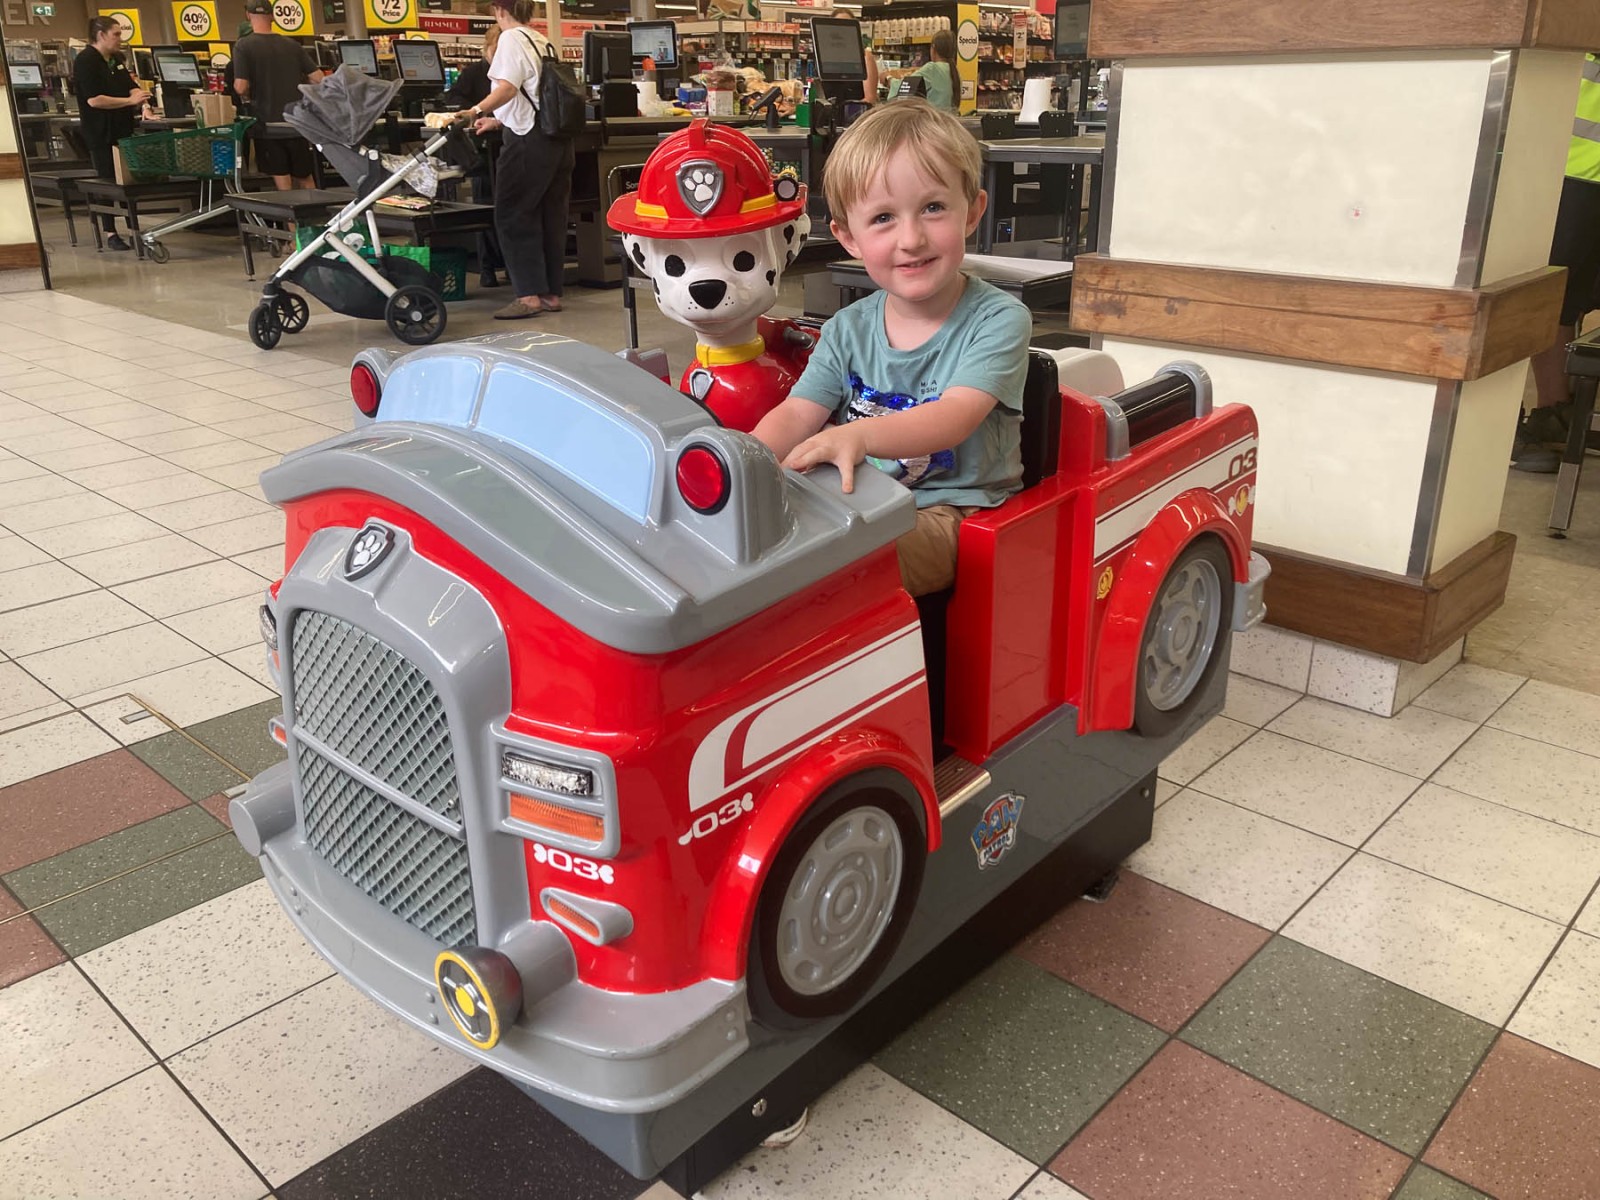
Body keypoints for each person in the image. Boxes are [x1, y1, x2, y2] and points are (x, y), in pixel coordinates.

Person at [752, 100, 1029, 597]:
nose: (911, 238)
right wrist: (746, 461)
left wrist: (857, 436)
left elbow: (954, 416)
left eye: (933, 207)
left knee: (835, 571)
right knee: (752, 546)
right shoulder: (847, 327)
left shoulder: (997, 319)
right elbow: (798, 412)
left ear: (973, 211)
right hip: (857, 499)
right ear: (848, 238)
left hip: (953, 512)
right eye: (883, 217)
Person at [454, 0, 575, 319]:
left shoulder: (509, 38)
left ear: (499, 9)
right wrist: (498, 121)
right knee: (550, 216)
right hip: (557, 139)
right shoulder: (541, 40)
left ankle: (528, 295)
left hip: (527, 141)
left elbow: (507, 89)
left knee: (513, 214)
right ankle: (550, 293)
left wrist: (474, 111)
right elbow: (537, 95)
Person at [1515, 51, 1600, 472]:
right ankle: (1549, 420)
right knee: (1550, 299)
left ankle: (1546, 420)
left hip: (1570, 165)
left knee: (1540, 297)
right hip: (1571, 165)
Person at [73, 16, 150, 251]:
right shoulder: (86, 61)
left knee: (127, 181)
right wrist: (129, 101)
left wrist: (142, 102)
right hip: (100, 132)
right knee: (106, 182)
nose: (120, 39)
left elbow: (132, 86)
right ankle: (110, 232)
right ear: (101, 35)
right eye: (116, 34)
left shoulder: (116, 60)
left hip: (122, 129)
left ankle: (134, 228)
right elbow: (95, 100)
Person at [231, 0, 324, 191]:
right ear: (273, 16)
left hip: (267, 125)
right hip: (296, 122)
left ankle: (290, 212)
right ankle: (318, 210)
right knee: (305, 177)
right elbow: (318, 78)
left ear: (248, 16)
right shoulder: (292, 45)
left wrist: (246, 94)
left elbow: (240, 86)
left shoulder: (243, 46)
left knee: (283, 181)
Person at [441, 26, 506, 288]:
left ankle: (508, 264)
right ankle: (487, 267)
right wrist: (474, 113)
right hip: (481, 148)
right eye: (496, 49)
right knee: (484, 205)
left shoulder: (509, 71)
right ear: (487, 49)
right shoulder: (474, 73)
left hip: (505, 144)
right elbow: (452, 97)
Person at [905, 29, 959, 111]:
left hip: (933, 118)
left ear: (933, 48)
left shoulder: (932, 68)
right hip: (949, 118)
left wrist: (889, 78)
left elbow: (906, 85)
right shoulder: (955, 72)